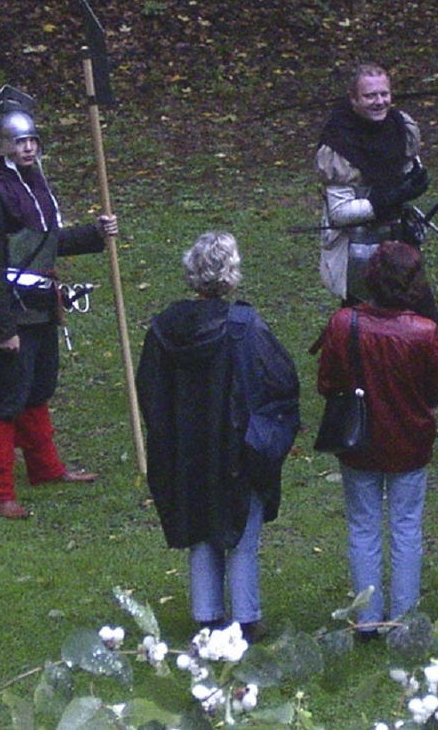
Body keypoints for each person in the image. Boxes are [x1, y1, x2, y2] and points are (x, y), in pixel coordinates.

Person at [137, 231, 299, 642]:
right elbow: (281, 379)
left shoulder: (163, 329)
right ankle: (246, 617)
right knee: (242, 533)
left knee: (200, 532)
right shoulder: (244, 327)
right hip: (235, 446)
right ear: (230, 275)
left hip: (186, 448)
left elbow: (150, 392)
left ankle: (207, 615)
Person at [0, 85, 118, 520]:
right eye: (20, 141)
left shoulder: (34, 184)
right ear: (4, 145)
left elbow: (45, 245)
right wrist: (2, 329)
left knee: (39, 389)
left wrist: (94, 234)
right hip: (11, 313)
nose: (29, 147)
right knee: (8, 399)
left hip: (42, 307)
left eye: (33, 140)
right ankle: (1, 493)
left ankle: (46, 469)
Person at [316, 241, 438, 639]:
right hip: (409, 441)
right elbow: (434, 386)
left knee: (363, 526)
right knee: (406, 526)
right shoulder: (424, 333)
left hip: (360, 441)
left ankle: (367, 620)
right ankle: (403, 620)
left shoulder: (344, 324)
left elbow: (327, 382)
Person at [316, 62, 438, 322]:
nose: (379, 101)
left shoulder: (400, 126)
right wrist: (386, 200)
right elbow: (339, 213)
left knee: (426, 319)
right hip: (360, 249)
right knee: (362, 329)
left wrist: (414, 180)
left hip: (400, 241)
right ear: (354, 99)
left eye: (384, 94)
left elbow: (408, 167)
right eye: (370, 95)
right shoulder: (340, 142)